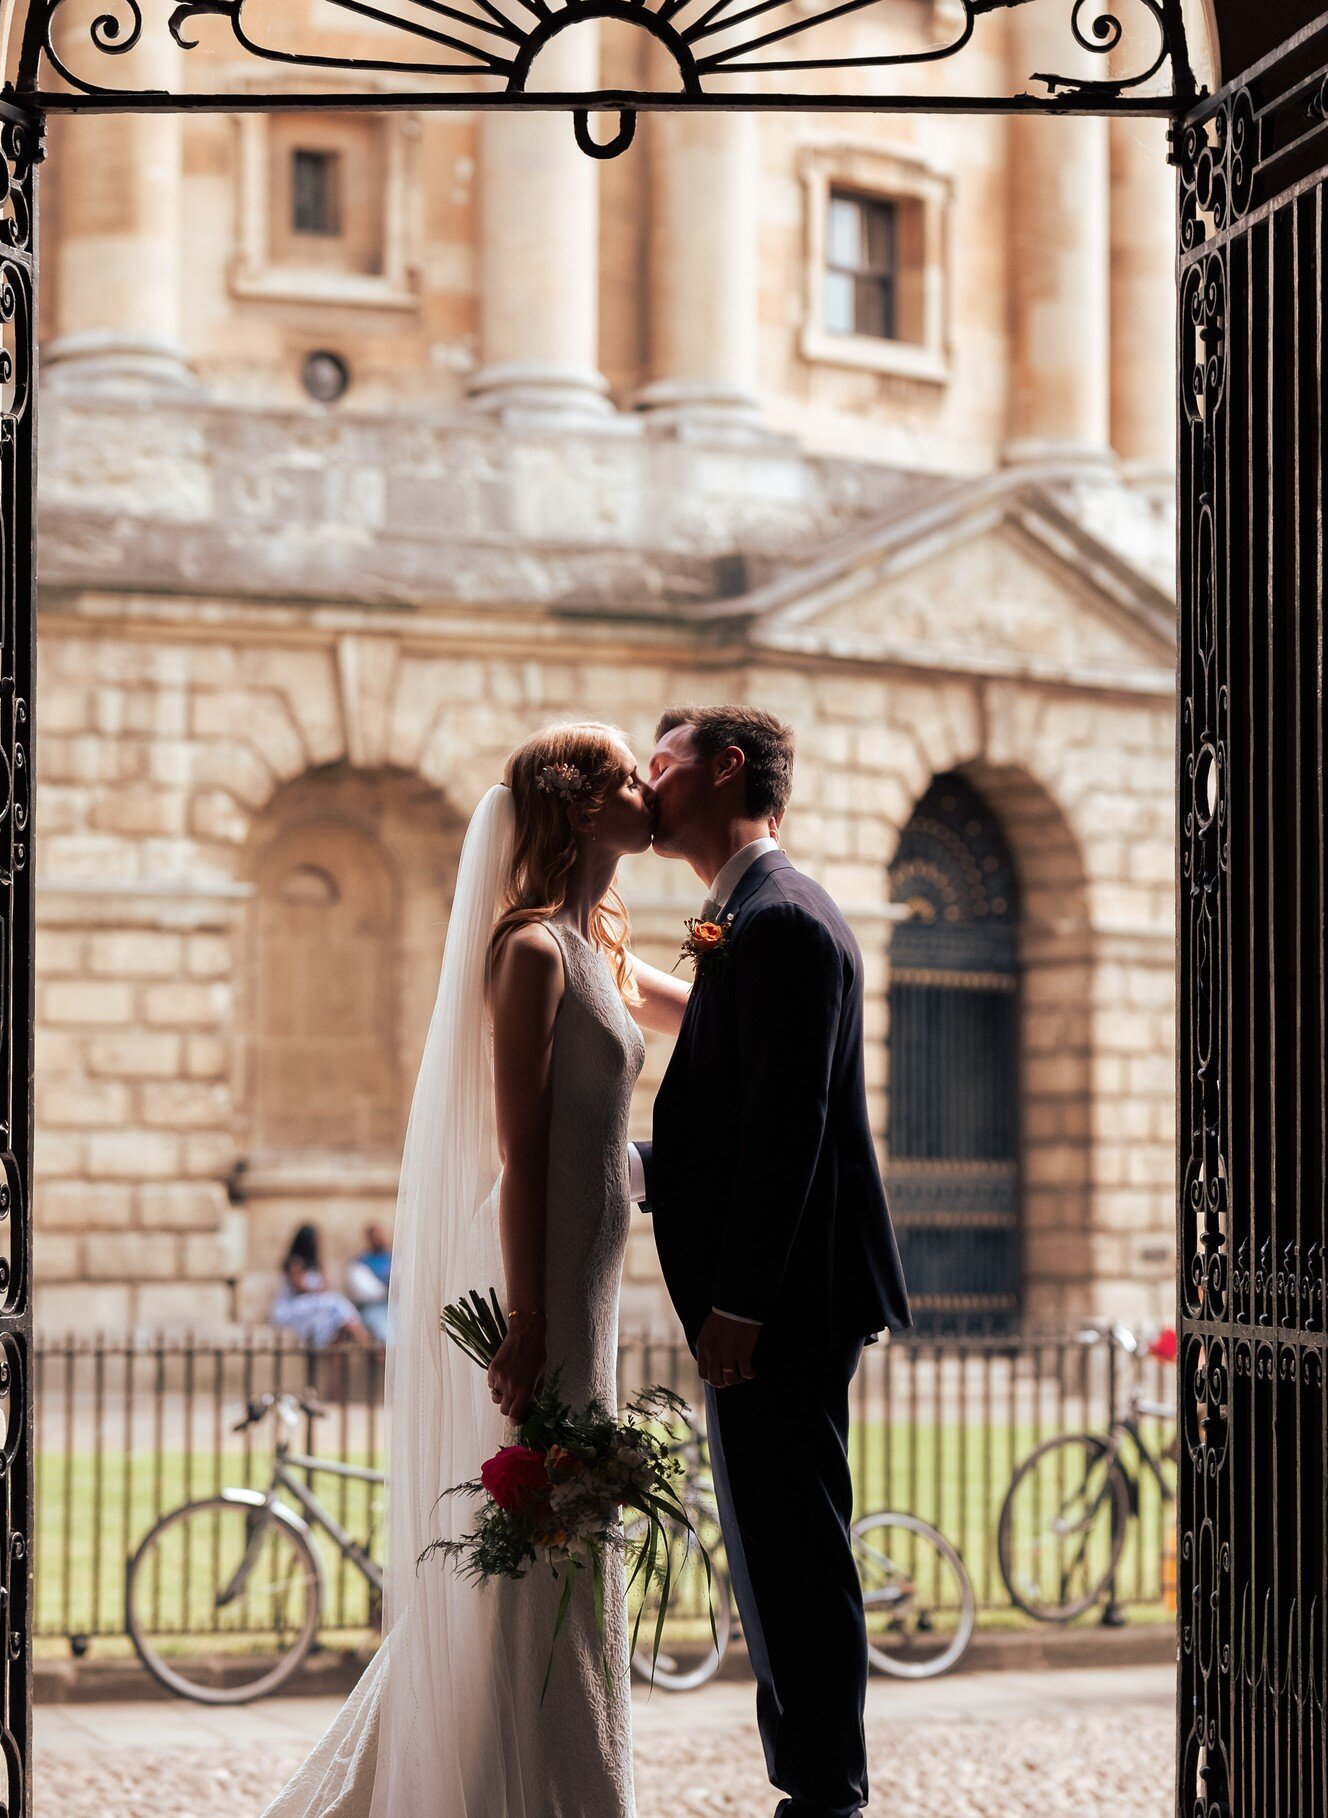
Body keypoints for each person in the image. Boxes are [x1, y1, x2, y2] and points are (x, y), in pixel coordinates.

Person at [261, 722, 655, 1818]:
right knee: (553, 1517)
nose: (646, 790)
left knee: (573, 1519)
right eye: (629, 776)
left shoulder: (601, 940)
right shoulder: (529, 949)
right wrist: (526, 1319)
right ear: (581, 807)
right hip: (549, 1271)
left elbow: (702, 1000)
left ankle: (561, 1765)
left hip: (594, 1273)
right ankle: (539, 1780)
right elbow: (519, 1156)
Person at [630, 705, 912, 1818]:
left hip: (782, 1302)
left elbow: (782, 1129)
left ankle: (824, 1793)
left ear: (727, 770)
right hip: (767, 1296)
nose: (649, 784)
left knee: (791, 1552)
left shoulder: (785, 919)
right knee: (767, 1544)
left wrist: (739, 1306)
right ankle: (810, 1780)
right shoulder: (737, 911)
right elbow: (709, 1033)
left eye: (664, 765)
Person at [271, 1223, 375, 1350]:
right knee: (334, 1301)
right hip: (292, 1308)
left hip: (314, 1307)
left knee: (334, 1324)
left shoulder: (316, 1263)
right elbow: (299, 1288)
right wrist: (317, 1290)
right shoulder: (295, 1261)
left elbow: (326, 1287)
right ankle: (366, 1342)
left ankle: (353, 1345)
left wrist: (321, 1264)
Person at [345, 1222, 394, 1344]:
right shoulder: (360, 1263)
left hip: (394, 1306)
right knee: (386, 1335)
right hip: (373, 1308)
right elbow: (367, 1292)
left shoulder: (392, 1259)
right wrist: (387, 1289)